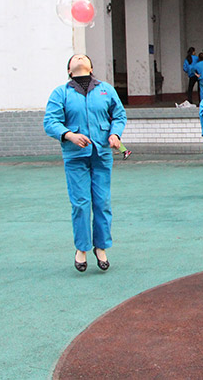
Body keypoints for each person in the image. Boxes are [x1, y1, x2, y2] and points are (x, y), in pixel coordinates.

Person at [43, 54, 127, 272]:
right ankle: (82, 248)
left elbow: (119, 116)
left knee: (102, 202)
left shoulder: (106, 90)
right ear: (69, 70)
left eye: (84, 57)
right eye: (75, 58)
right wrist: (69, 135)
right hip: (75, 156)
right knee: (80, 203)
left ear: (91, 68)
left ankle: (101, 246)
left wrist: (115, 134)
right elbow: (50, 121)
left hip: (101, 154)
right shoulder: (61, 93)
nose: (79, 57)